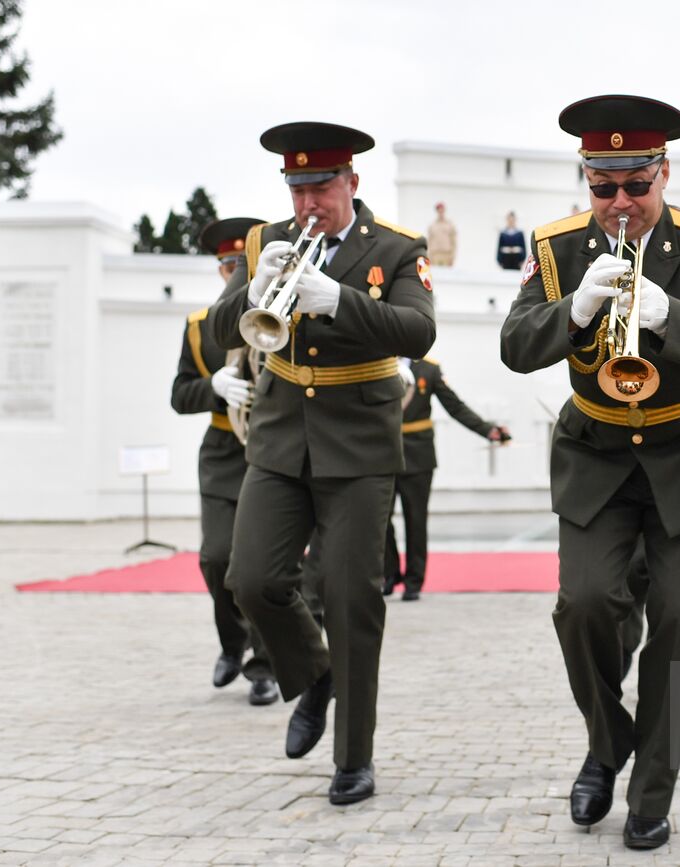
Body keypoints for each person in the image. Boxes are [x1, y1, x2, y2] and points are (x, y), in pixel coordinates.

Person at [500, 94, 680, 850]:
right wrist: (574, 312)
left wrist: (668, 316)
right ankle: (606, 741)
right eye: (602, 187)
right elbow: (516, 346)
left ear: (663, 172)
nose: (620, 204)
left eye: (636, 185)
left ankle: (651, 788)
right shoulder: (555, 250)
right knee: (582, 605)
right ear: (585, 180)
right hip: (597, 453)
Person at [208, 121, 436, 805]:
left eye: (322, 187)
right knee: (250, 577)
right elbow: (223, 326)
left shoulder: (396, 248)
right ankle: (316, 674)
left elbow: (419, 329)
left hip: (361, 441)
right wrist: (253, 293)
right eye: (298, 187)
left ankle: (353, 757)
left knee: (349, 595)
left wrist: (341, 300)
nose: (309, 202)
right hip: (280, 437)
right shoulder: (263, 242)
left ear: (351, 184)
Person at [170, 216, 278, 708]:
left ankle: (263, 665)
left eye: (241, 263)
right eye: (226, 264)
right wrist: (212, 388)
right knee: (215, 558)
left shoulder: (281, 311)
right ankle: (232, 644)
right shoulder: (199, 328)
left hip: (269, 450)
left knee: (254, 567)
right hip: (221, 452)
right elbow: (179, 395)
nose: (232, 270)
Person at [384, 356, 510, 601]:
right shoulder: (380, 361)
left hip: (418, 456)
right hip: (382, 452)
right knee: (380, 520)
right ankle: (388, 573)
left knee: (416, 520)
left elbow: (455, 406)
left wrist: (487, 430)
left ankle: (413, 581)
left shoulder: (429, 369)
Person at [427, 201, 457, 267]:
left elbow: (454, 242)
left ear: (444, 210)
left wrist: (452, 256)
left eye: (442, 209)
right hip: (435, 255)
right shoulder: (432, 225)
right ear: (437, 211)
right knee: (435, 275)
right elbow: (429, 242)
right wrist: (429, 256)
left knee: (447, 275)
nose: (440, 211)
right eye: (439, 210)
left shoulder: (450, 225)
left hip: (446, 254)